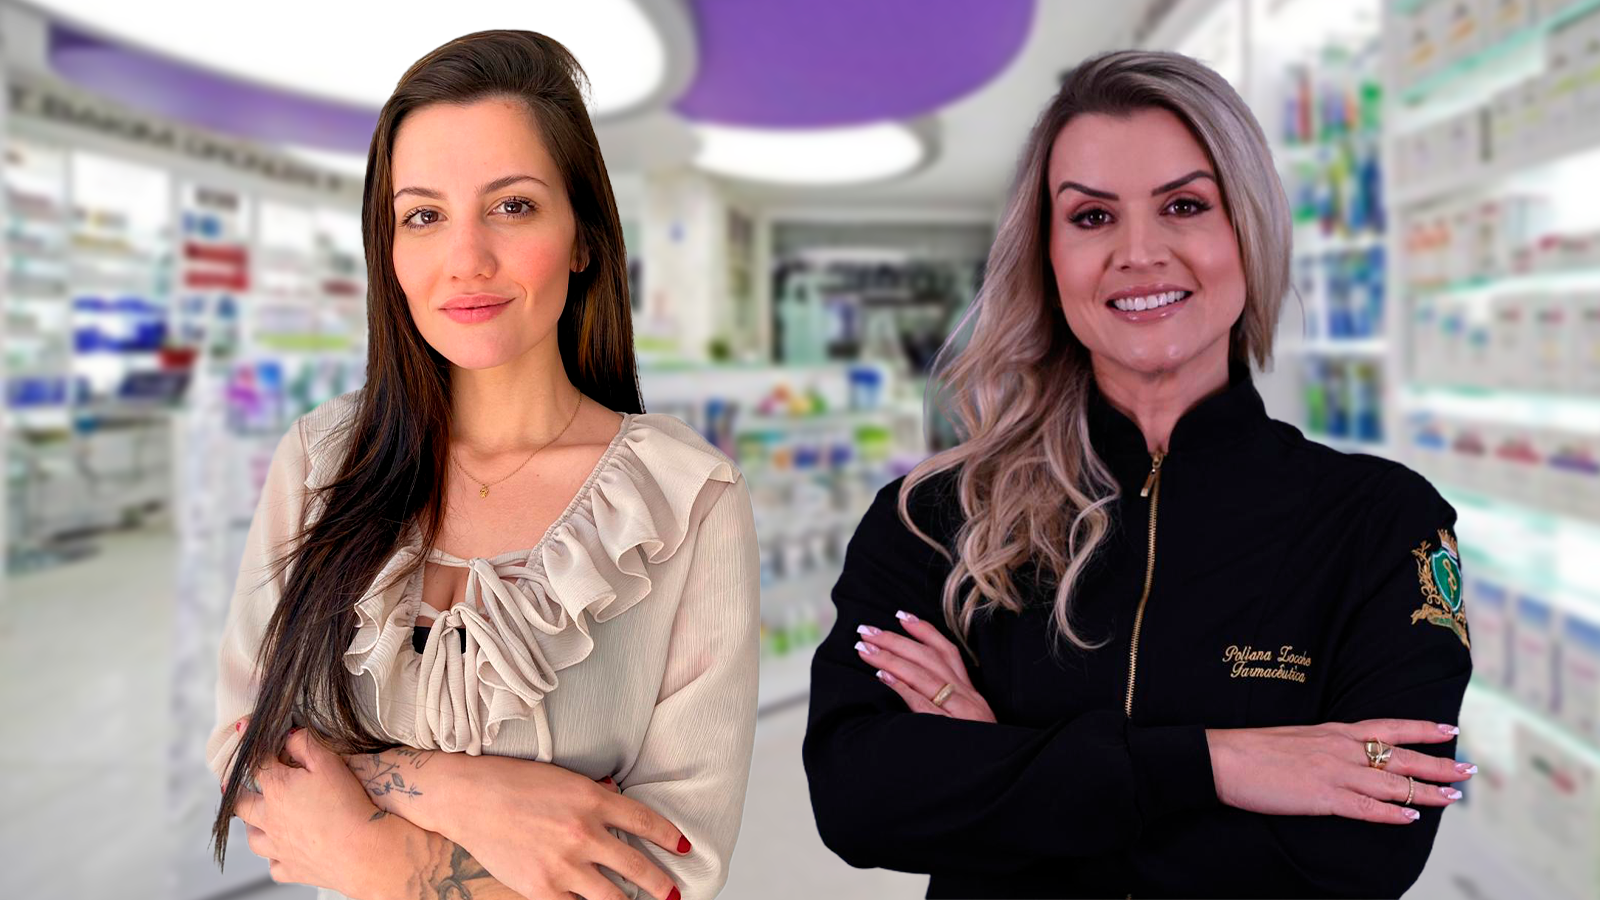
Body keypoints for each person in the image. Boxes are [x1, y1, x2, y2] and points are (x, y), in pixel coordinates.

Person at [803, 50, 1474, 899]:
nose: (1139, 252)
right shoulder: (935, 517)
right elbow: (858, 798)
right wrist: (1217, 764)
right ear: (1047, 255)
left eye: (1184, 205)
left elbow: (1366, 852)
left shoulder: (1382, 521)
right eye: (1092, 217)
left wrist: (1002, 772)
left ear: (1249, 230)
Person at [205, 30, 760, 900]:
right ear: (389, 251)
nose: (466, 260)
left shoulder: (684, 502)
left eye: (512, 206)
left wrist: (387, 861)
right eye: (423, 216)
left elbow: (672, 867)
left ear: (582, 238)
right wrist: (463, 792)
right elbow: (249, 747)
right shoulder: (319, 463)